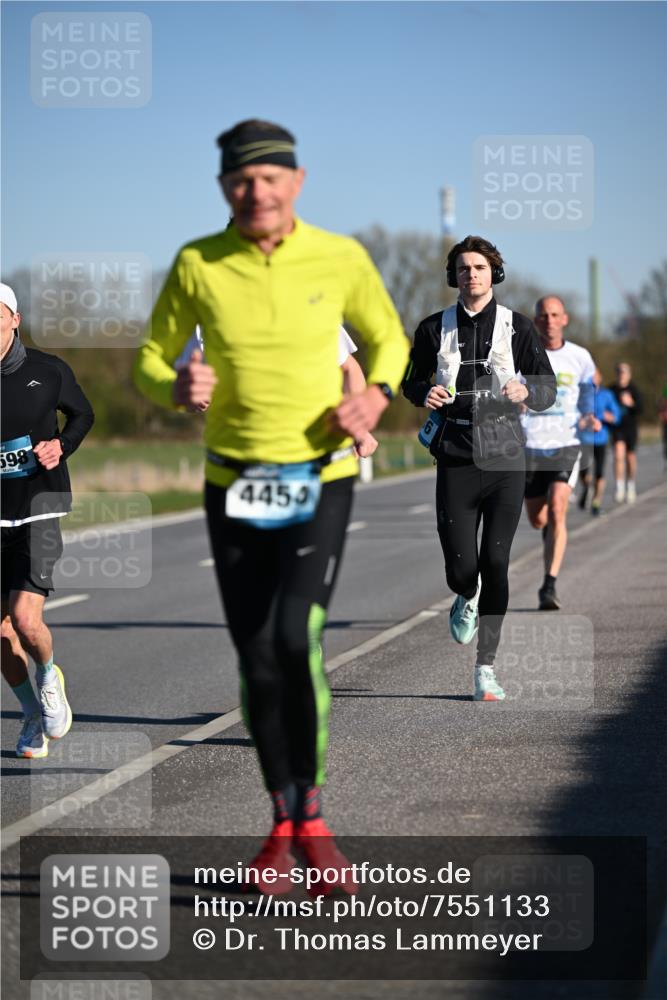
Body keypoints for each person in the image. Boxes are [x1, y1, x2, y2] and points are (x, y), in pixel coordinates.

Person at [134, 119, 407, 890]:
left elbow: (387, 339)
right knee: (254, 652)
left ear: (297, 181)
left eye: (269, 177)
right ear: (223, 186)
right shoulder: (197, 262)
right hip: (231, 481)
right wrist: (173, 386)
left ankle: (313, 817)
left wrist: (376, 397)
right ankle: (281, 819)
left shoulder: (341, 256)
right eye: (238, 180)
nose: (254, 191)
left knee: (294, 637)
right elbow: (152, 360)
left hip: (319, 474)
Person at [402, 236, 556, 701]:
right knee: (463, 569)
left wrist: (526, 393)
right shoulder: (433, 328)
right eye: (464, 268)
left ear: (494, 275)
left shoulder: (519, 327)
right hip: (455, 454)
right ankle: (464, 594)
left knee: (497, 562)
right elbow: (410, 381)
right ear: (454, 276)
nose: (472, 275)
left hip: (506, 455)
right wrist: (422, 393)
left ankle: (485, 668)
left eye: (480, 268)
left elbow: (547, 389)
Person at [0, 282, 94, 758]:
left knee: (24, 618)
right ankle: (31, 715)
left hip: (39, 505)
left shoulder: (47, 370)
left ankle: (48, 676)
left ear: (14, 320)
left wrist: (62, 445)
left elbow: (82, 415)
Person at [522, 296, 595, 610]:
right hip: (529, 446)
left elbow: (590, 386)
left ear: (564, 319)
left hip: (566, 443)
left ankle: (549, 586)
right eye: (543, 315)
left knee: (557, 510)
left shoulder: (579, 356)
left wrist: (588, 412)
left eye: (554, 315)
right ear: (536, 321)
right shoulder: (520, 355)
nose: (549, 320)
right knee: (538, 520)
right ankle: (549, 536)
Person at [577, 367, 622, 515]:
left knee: (599, 472)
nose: (592, 379)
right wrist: (579, 420)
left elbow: (616, 415)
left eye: (595, 376)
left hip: (601, 439)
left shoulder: (607, 395)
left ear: (600, 378)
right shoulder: (580, 394)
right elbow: (572, 412)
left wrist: (610, 417)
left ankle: (596, 502)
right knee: (583, 472)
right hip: (584, 439)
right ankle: (587, 488)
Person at [610, 362, 643, 502]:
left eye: (623, 372)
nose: (621, 375)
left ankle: (630, 485)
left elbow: (641, 410)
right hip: (617, 428)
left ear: (629, 374)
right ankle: (619, 486)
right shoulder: (611, 389)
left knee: (630, 458)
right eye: (619, 372)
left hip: (631, 428)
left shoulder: (634, 389)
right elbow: (603, 405)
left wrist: (631, 403)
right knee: (618, 454)